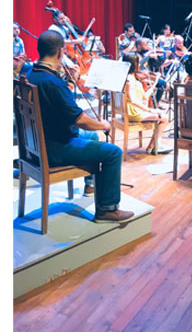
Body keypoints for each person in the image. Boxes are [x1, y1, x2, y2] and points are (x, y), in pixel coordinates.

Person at [24, 30, 132, 222]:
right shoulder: (53, 83)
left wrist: (64, 81)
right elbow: (79, 119)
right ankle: (107, 209)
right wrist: (102, 125)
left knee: (90, 138)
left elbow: (52, 104)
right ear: (60, 53)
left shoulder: (29, 75)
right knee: (113, 152)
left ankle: (91, 185)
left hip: (34, 145)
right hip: (55, 148)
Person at [120, 53, 171, 155]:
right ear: (133, 64)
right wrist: (150, 110)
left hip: (133, 110)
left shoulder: (129, 77)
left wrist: (155, 82)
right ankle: (152, 146)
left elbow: (145, 96)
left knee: (161, 115)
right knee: (164, 118)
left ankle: (154, 145)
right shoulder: (129, 81)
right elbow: (134, 101)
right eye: (138, 62)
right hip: (133, 112)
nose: (140, 65)